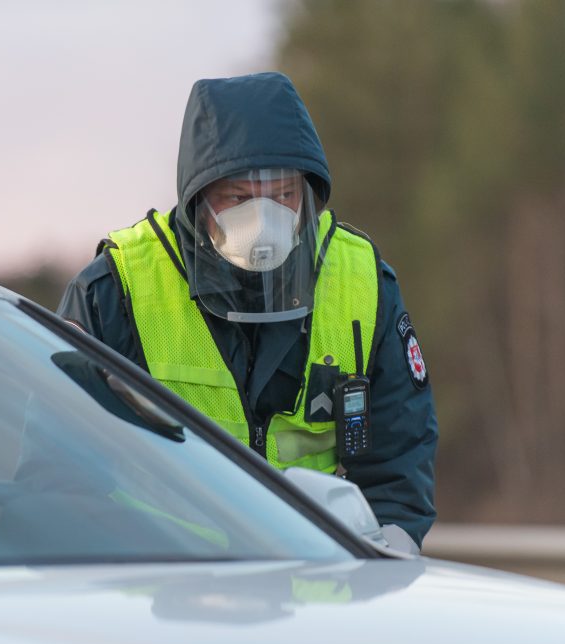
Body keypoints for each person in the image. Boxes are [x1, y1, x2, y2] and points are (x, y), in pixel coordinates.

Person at [57, 72, 437, 549]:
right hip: (162, 588)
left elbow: (399, 449)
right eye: (239, 197)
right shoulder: (115, 291)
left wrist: (389, 548)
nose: (265, 219)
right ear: (199, 199)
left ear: (307, 194)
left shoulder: (360, 280)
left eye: (282, 196)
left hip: (313, 584)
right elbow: (60, 467)